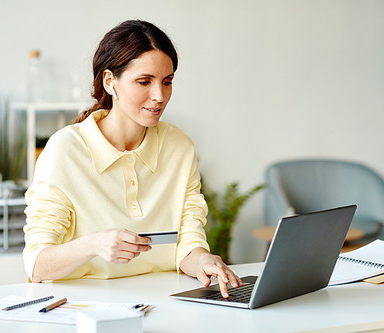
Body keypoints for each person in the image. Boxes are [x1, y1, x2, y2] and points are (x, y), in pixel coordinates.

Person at [23, 20, 242, 298]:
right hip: (84, 308)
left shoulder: (179, 146)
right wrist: (93, 245)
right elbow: (37, 265)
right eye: (144, 81)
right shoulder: (65, 150)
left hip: (165, 302)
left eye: (167, 82)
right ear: (110, 82)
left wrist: (203, 259)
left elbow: (188, 241)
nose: (159, 96)